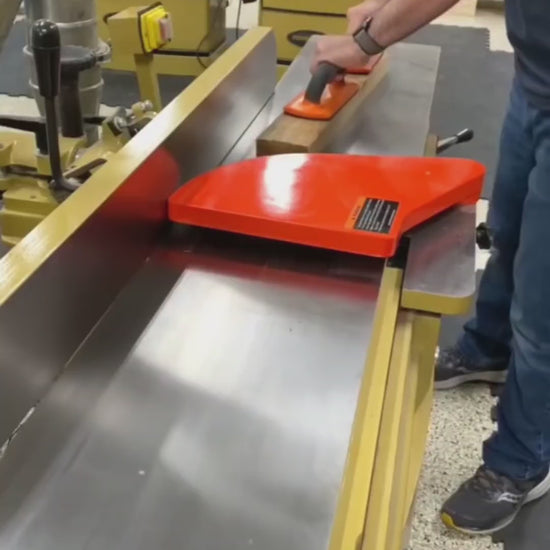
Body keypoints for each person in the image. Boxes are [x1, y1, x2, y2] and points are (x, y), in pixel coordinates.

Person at [312, 0, 550, 536]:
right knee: (508, 235)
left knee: (542, 310)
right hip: (536, 80)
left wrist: (366, 41)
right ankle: (489, 350)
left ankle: (522, 461)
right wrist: (384, 10)